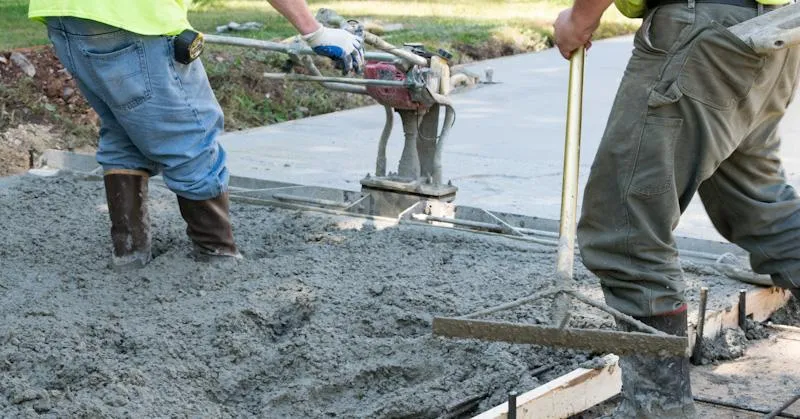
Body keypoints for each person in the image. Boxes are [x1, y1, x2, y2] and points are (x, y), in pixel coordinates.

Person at [554, 0, 799, 416]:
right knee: (760, 206)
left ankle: (658, 410)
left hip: (701, 34)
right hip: (768, 34)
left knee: (625, 227)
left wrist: (580, 18)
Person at [28, 0, 364, 269]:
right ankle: (216, 259)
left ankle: (129, 254)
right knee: (191, 134)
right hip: (134, 17)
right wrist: (315, 32)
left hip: (66, 16)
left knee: (123, 130)